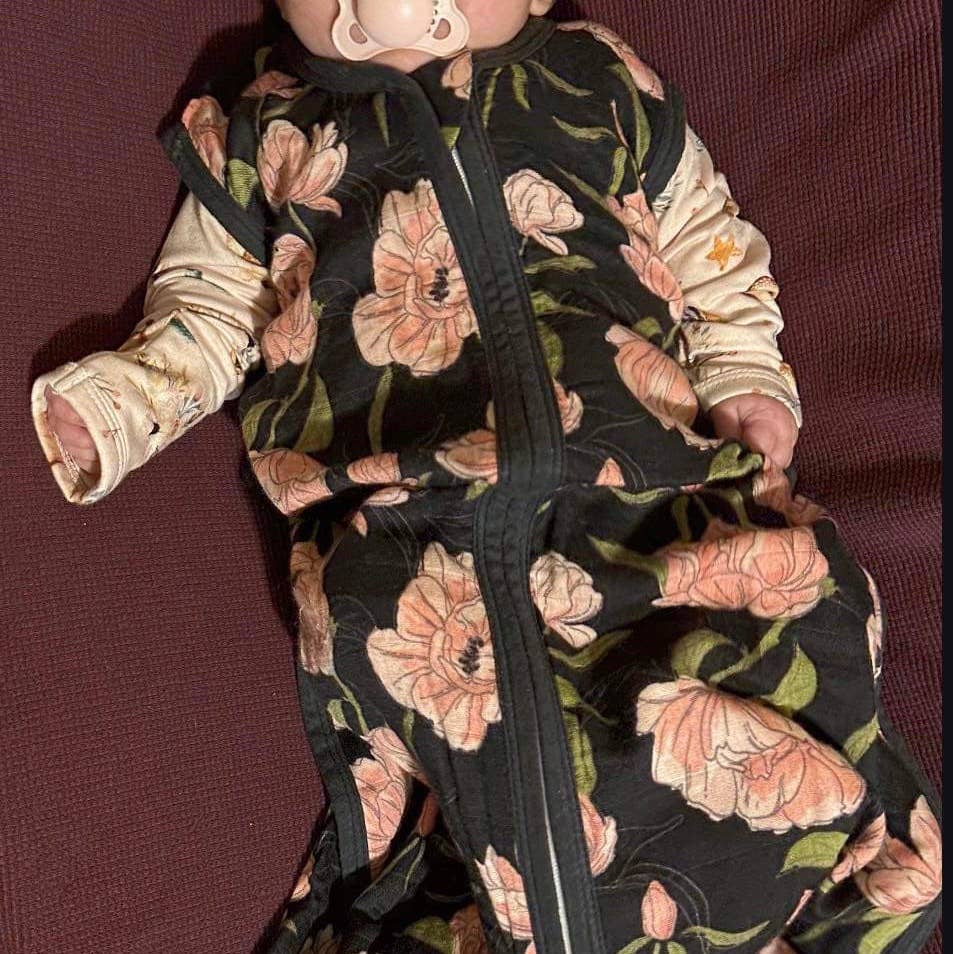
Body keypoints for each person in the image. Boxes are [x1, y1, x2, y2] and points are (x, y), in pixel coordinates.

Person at [29, 2, 942, 951]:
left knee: (781, 623)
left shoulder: (597, 79)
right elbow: (210, 308)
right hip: (418, 525)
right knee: (516, 760)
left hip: (652, 481)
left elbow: (709, 245)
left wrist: (745, 372)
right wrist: (128, 399)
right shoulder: (265, 126)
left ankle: (788, 878)